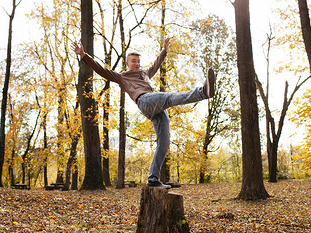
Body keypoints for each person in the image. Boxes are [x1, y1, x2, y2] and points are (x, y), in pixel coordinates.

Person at [72, 38, 215, 189]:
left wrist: (164, 50)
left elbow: (156, 64)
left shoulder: (146, 73)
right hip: (145, 101)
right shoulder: (122, 77)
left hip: (156, 109)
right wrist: (84, 55)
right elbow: (101, 70)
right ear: (127, 63)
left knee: (164, 142)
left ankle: (153, 179)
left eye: (138, 61)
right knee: (169, 97)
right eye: (133, 61)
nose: (137, 64)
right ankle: (203, 92)